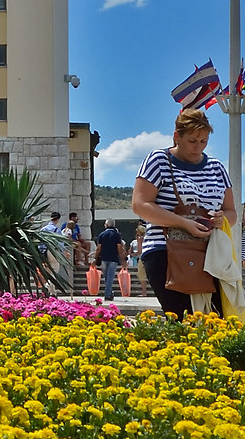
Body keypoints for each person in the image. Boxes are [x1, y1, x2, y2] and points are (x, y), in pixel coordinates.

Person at [131, 110, 235, 317]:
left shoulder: (216, 167)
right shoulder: (159, 160)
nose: (198, 147)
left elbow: (231, 212)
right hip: (167, 251)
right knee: (183, 317)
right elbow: (140, 204)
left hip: (210, 253)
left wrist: (220, 220)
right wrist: (183, 223)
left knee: (218, 320)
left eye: (203, 141)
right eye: (192, 141)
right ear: (176, 137)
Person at [95, 220, 123, 300]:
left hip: (104, 258)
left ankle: (109, 293)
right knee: (110, 277)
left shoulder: (102, 234)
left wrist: (95, 258)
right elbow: (119, 248)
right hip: (113, 258)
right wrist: (122, 259)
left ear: (107, 225)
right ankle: (108, 294)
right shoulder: (117, 235)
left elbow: (98, 248)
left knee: (106, 277)